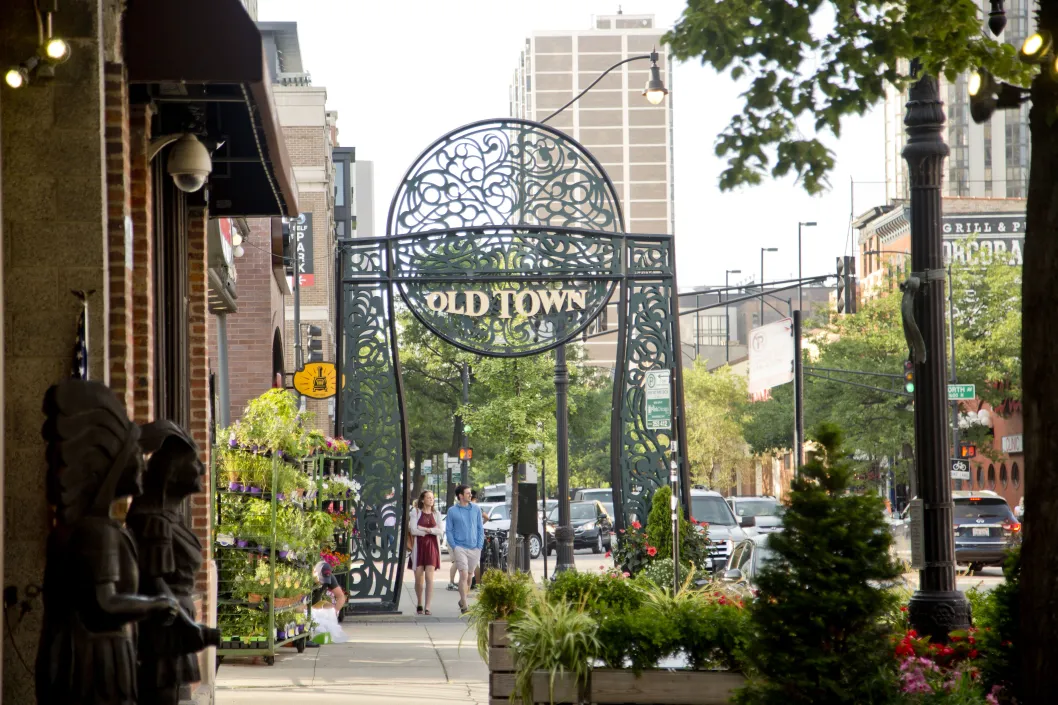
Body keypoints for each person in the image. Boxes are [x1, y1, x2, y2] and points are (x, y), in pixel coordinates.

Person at [445, 484, 484, 614]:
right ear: (460, 496)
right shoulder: (452, 511)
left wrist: (479, 546)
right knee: (463, 574)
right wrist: (454, 546)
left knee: (469, 576)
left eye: (470, 493)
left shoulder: (476, 509)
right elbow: (449, 530)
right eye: (467, 493)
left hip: (474, 548)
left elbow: (480, 528)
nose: (470, 495)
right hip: (459, 547)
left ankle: (462, 599)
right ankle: (465, 605)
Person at [408, 490, 443, 614]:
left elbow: (440, 531)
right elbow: (413, 530)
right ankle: (419, 602)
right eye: (428, 498)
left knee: (429, 577)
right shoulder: (415, 512)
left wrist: (425, 529)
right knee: (418, 579)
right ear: (423, 500)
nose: (431, 500)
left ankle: (427, 606)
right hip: (419, 547)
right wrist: (430, 530)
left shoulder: (437, 513)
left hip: (432, 547)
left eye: (432, 498)